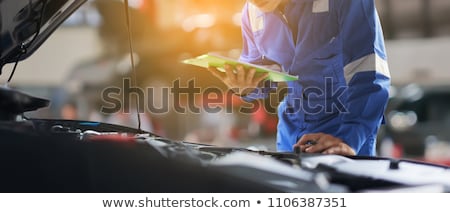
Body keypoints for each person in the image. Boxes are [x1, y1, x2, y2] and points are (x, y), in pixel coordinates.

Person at [209, 0, 391, 156]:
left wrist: (349, 137)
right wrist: (246, 88)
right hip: (290, 135)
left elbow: (370, 75)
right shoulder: (252, 11)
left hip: (341, 134)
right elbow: (260, 74)